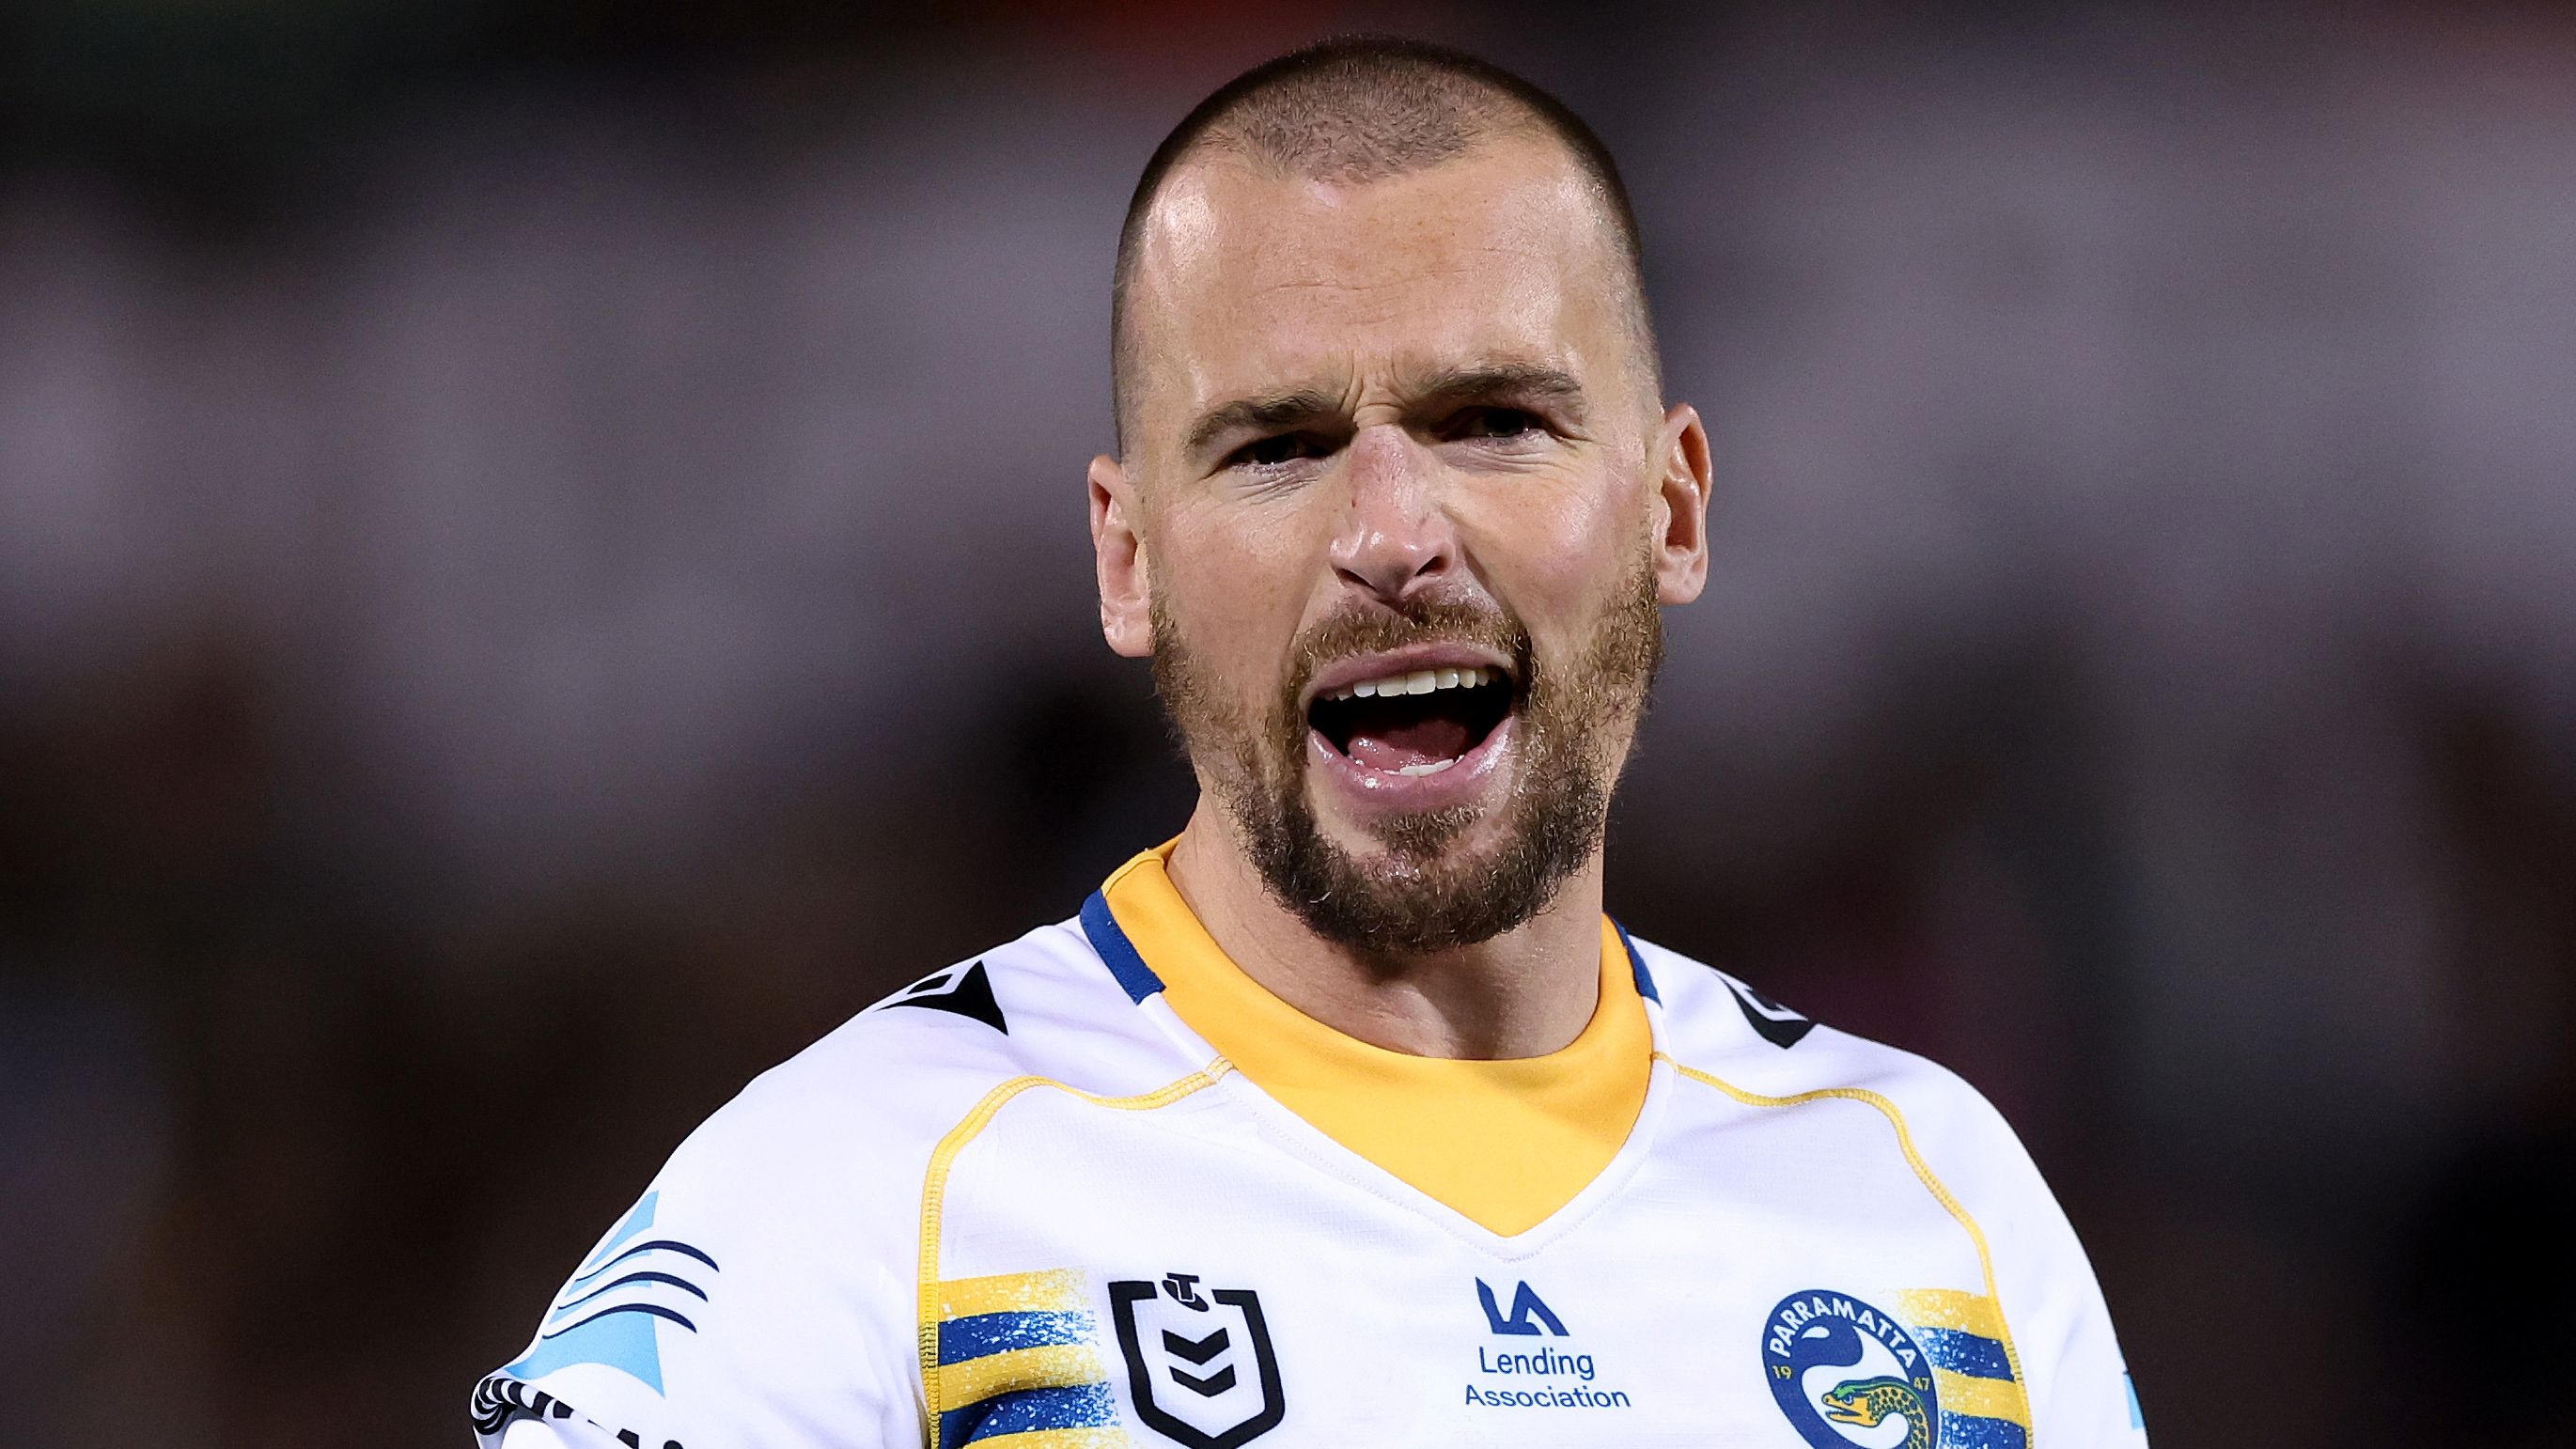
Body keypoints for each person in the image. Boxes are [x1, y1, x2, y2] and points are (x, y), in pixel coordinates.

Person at [472, 36, 2145, 1449]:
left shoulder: (1937, 1211)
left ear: (1672, 503)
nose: (1392, 531)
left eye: (1493, 422)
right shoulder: (858, 1197)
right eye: (1275, 448)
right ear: (1127, 561)